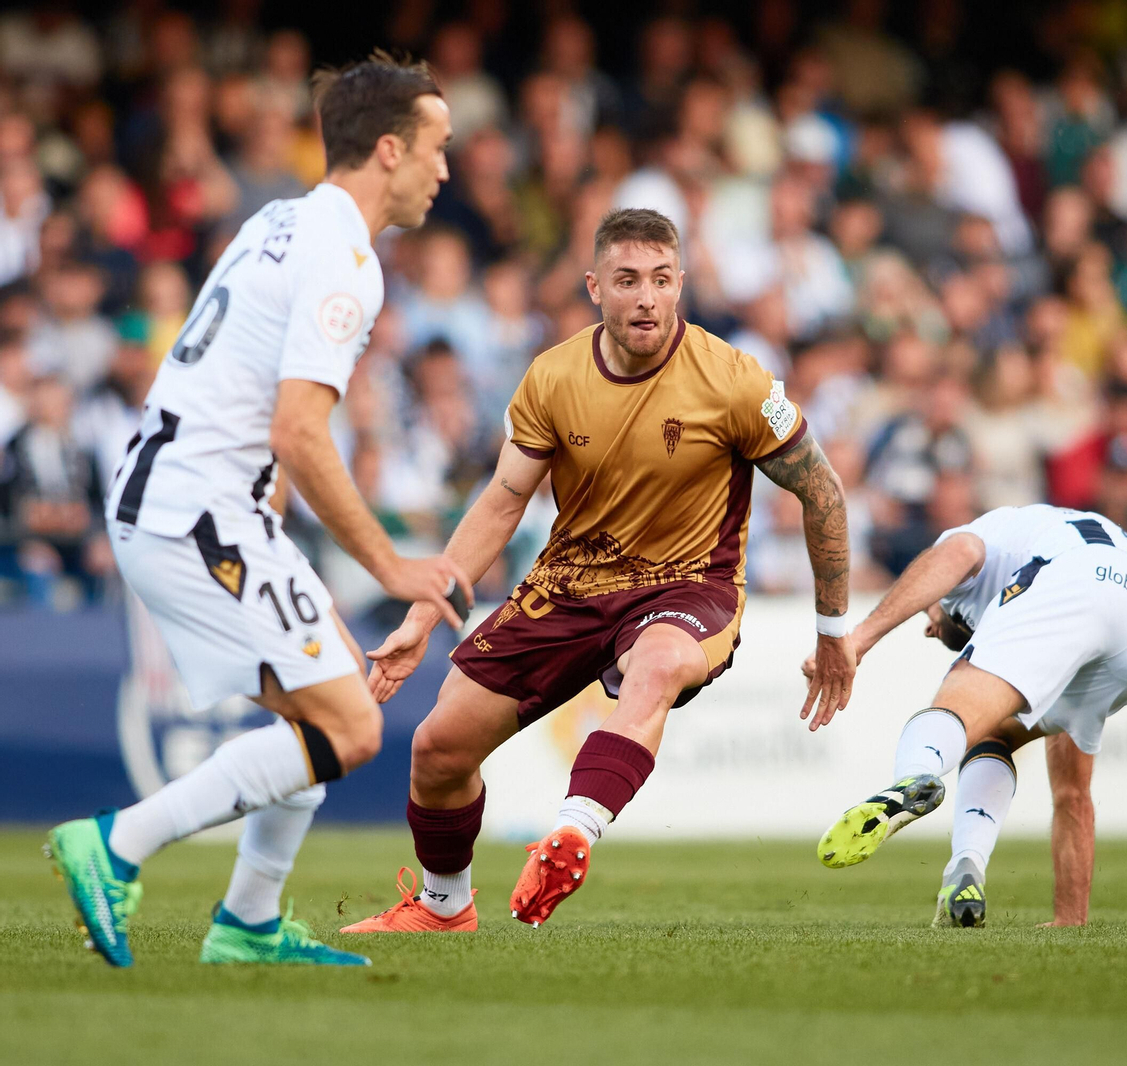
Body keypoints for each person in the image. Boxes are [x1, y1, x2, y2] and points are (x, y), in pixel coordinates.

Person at [45, 53, 471, 968]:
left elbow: (255, 406)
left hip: (185, 499)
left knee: (323, 708)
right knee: (352, 726)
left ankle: (247, 923)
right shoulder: (347, 262)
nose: (448, 169)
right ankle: (116, 844)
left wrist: (286, 562)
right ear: (390, 150)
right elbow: (301, 431)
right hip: (195, 510)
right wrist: (393, 568)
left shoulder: (280, 220)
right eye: (438, 148)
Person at [341, 207, 855, 934]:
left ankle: (571, 835)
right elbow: (502, 502)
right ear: (594, 287)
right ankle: (444, 906)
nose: (646, 297)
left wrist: (833, 630)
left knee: (659, 663)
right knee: (437, 748)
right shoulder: (552, 377)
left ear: (681, 285)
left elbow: (822, 491)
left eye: (662, 280)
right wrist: (423, 615)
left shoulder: (735, 380)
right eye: (627, 280)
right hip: (570, 584)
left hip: (686, 584)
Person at [812, 503, 1127, 927]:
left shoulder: (973, 561)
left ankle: (916, 771)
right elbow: (1073, 797)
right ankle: (970, 866)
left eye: (929, 613)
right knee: (996, 733)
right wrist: (1070, 919)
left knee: (957, 708)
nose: (929, 626)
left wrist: (857, 640)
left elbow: (958, 553)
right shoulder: (1042, 557)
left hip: (1082, 573)